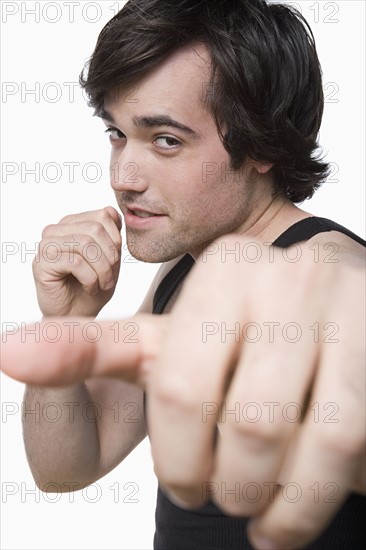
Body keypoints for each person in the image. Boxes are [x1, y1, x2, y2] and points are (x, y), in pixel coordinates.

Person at [1, 0, 365, 549]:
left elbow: (339, 289)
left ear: (260, 143)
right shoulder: (182, 268)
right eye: (117, 134)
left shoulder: (332, 263)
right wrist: (68, 323)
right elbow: (65, 471)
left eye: (166, 140)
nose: (123, 177)